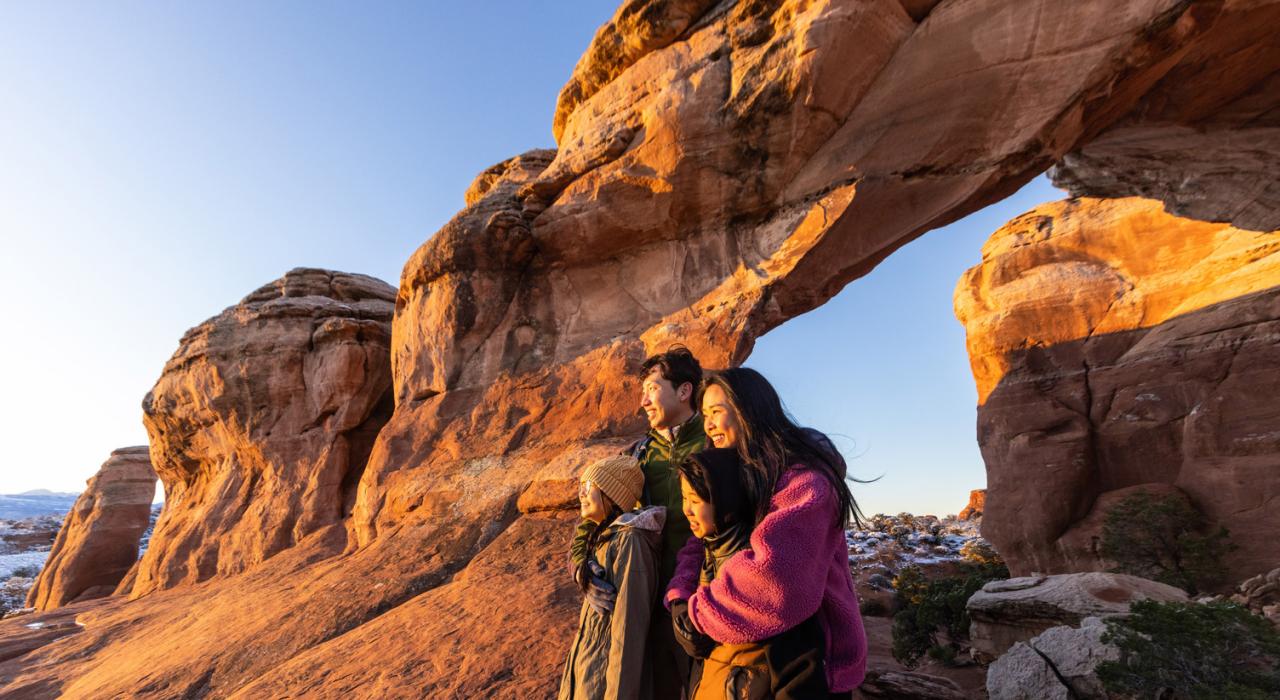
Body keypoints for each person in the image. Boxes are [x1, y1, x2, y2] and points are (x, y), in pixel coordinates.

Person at [665, 368, 868, 699]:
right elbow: (700, 540)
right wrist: (679, 597)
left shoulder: (805, 481)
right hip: (747, 661)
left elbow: (774, 579)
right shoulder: (738, 473)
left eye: (717, 412)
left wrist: (697, 614)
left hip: (807, 664)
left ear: (749, 411)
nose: (708, 424)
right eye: (705, 415)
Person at [571, 346, 706, 697]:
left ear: (684, 390)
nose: (643, 402)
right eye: (642, 392)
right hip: (650, 606)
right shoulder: (637, 455)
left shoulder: (716, 443)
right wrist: (581, 567)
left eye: (652, 389)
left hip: (704, 601)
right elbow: (594, 519)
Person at [673, 447, 829, 700]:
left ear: (725, 500)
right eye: (683, 498)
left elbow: (799, 676)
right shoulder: (707, 560)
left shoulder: (762, 575)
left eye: (696, 499)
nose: (686, 510)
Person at [559, 454, 665, 700]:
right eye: (580, 487)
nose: (581, 494)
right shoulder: (603, 540)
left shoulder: (630, 541)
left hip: (605, 682)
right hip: (586, 675)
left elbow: (628, 633)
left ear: (612, 493)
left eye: (588, 487)